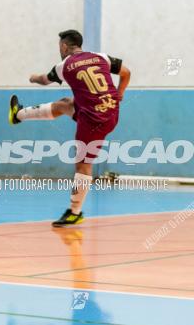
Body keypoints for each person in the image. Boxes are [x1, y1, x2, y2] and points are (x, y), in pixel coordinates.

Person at [8, 30, 131, 227]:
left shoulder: (63, 66)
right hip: (111, 111)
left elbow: (43, 80)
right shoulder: (101, 57)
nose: (59, 50)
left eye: (59, 47)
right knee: (65, 104)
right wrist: (120, 93)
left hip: (93, 120)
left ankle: (75, 212)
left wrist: (32, 78)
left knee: (83, 165)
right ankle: (18, 114)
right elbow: (126, 73)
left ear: (64, 46)